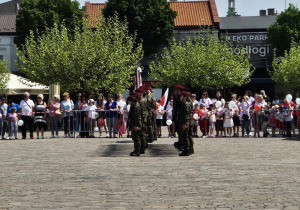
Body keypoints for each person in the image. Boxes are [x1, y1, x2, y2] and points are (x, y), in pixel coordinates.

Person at [178, 91, 193, 156]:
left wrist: (184, 123)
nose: (181, 97)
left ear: (185, 97)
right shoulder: (190, 103)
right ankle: (191, 149)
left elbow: (186, 114)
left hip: (186, 121)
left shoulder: (185, 104)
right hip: (190, 121)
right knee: (189, 136)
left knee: (186, 136)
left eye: (182, 96)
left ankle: (186, 150)